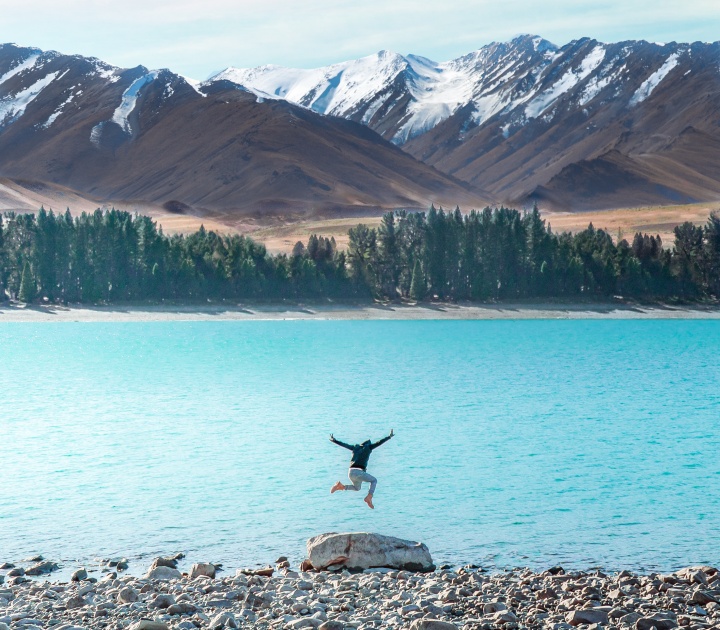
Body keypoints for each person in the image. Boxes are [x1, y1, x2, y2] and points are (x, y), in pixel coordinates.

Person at [329, 430, 394, 509]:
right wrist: (389, 437)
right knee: (374, 480)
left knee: (357, 488)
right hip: (359, 472)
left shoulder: (355, 448)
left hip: (350, 472)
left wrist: (335, 440)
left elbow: (345, 445)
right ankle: (369, 497)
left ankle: (340, 486)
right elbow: (379, 443)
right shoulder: (369, 447)